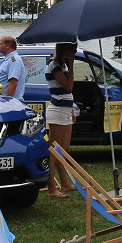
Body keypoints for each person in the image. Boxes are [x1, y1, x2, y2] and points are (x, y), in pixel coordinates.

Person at [45, 43, 77, 197]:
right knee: (54, 150)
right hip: (57, 110)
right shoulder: (54, 65)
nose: (74, 53)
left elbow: (68, 92)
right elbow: (68, 86)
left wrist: (71, 110)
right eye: (72, 50)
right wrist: (71, 65)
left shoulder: (62, 65)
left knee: (64, 149)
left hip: (65, 109)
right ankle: (52, 187)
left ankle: (64, 183)